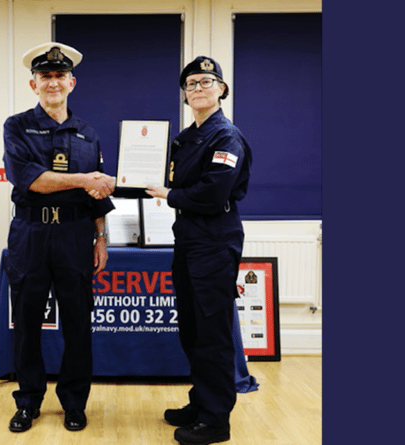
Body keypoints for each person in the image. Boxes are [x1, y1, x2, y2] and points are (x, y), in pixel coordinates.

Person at [2, 42, 116, 433]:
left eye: (60, 75)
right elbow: (31, 180)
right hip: (31, 235)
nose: (53, 82)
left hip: (74, 236)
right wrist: (85, 179)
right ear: (33, 84)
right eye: (45, 76)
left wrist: (101, 237)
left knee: (78, 324)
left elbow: (96, 195)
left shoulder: (87, 133)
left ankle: (74, 403)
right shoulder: (16, 126)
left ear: (72, 82)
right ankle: (28, 402)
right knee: (27, 324)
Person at [146, 56, 252, 445]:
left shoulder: (226, 137)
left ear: (221, 89)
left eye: (206, 82)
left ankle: (216, 419)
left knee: (212, 331)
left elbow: (212, 193)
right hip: (189, 237)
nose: (198, 89)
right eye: (191, 84)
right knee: (192, 328)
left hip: (214, 238)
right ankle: (202, 402)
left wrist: (169, 195)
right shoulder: (186, 138)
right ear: (185, 95)